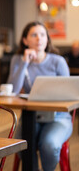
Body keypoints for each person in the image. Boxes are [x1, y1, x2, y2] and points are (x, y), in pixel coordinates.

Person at [7, 21, 72, 171]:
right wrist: (24, 63)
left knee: (48, 145)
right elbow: (13, 91)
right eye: (34, 35)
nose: (39, 39)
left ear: (47, 39)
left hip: (58, 118)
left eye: (43, 35)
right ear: (25, 40)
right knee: (22, 143)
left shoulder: (58, 61)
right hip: (31, 117)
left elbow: (68, 95)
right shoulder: (18, 60)